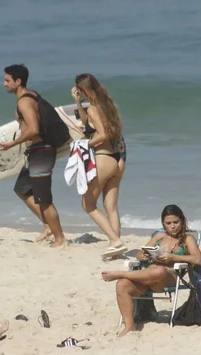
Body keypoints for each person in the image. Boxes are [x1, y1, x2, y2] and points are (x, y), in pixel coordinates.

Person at [101, 205, 201, 337]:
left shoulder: (187, 239)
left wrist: (173, 257)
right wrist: (143, 256)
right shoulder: (159, 236)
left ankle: (121, 274)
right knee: (122, 284)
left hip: (168, 277)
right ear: (163, 223)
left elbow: (198, 259)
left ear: (182, 221)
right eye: (168, 223)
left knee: (159, 271)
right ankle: (129, 327)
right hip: (148, 277)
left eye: (176, 222)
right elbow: (139, 253)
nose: (172, 226)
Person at [0, 64, 66, 247]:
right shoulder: (31, 94)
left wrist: (12, 144)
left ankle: (60, 239)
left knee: (44, 199)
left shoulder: (24, 101)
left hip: (42, 151)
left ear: (18, 81)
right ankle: (47, 226)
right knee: (22, 189)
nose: (4, 84)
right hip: (35, 152)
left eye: (7, 80)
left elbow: (34, 129)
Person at [71, 73, 127, 257]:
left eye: (79, 90)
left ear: (84, 89)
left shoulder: (94, 109)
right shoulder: (108, 107)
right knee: (111, 207)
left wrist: (84, 145)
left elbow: (101, 135)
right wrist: (78, 102)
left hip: (103, 159)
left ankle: (114, 240)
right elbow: (88, 123)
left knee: (88, 205)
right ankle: (117, 248)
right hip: (117, 160)